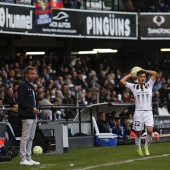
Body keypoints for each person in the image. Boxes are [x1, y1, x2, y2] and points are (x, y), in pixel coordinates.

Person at [120, 68, 156, 156]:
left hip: (148, 112)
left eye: (144, 76)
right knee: (138, 133)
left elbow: (154, 73)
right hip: (138, 113)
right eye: (141, 76)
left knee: (150, 131)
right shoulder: (134, 86)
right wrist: (130, 75)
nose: (143, 78)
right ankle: (139, 148)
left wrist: (144, 70)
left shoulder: (149, 84)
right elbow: (122, 81)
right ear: (137, 77)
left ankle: (146, 147)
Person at [18, 66, 41, 166]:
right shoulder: (23, 85)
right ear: (26, 74)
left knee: (31, 137)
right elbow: (21, 101)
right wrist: (32, 109)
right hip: (27, 115)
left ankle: (28, 157)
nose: (34, 75)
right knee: (25, 137)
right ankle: (23, 159)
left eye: (34, 73)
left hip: (32, 115)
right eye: (31, 74)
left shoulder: (29, 85)